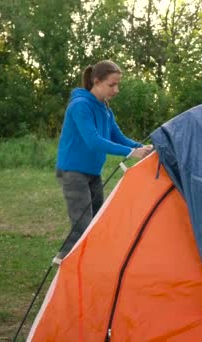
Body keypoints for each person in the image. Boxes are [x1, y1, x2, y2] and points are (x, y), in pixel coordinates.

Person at [55, 60, 152, 261]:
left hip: (92, 171)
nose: (116, 90)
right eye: (111, 85)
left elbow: (118, 137)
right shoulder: (80, 106)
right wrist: (130, 153)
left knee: (96, 220)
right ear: (96, 81)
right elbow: (94, 141)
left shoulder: (105, 108)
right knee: (83, 223)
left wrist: (141, 148)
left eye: (118, 85)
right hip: (73, 172)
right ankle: (70, 263)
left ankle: (71, 258)